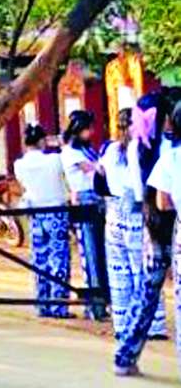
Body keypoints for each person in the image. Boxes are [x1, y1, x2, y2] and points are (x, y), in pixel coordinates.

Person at [114, 93, 180, 377]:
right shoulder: (169, 147)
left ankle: (125, 355)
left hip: (149, 224)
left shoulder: (135, 146)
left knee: (145, 294)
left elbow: (142, 193)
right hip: (170, 220)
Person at [99, 108, 165, 345]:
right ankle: (151, 323)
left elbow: (100, 177)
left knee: (119, 271)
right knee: (143, 270)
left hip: (113, 212)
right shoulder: (140, 150)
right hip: (136, 213)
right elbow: (141, 187)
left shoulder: (109, 150)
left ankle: (122, 323)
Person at [14, 123, 72, 318]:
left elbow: (23, 184)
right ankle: (59, 305)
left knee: (40, 258)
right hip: (56, 211)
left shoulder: (19, 165)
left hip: (36, 212)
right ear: (42, 141)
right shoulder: (55, 160)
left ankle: (43, 302)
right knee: (59, 258)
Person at [60, 110, 109, 320]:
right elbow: (96, 170)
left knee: (101, 252)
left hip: (97, 200)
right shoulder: (71, 153)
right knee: (91, 254)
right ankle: (95, 305)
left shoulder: (86, 149)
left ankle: (102, 300)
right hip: (85, 200)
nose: (92, 132)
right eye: (88, 129)